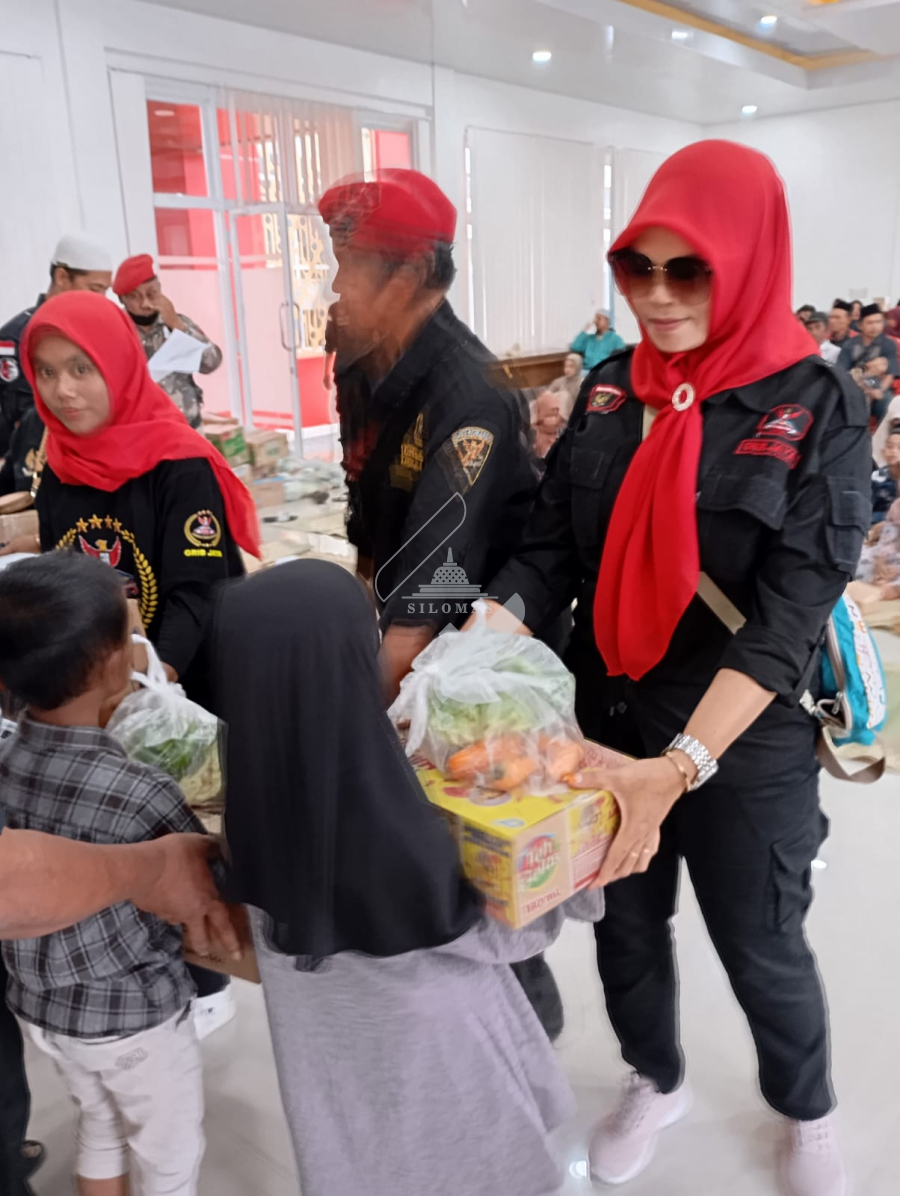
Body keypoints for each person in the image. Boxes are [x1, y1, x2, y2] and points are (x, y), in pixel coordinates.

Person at [483, 141, 870, 1196]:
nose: (657, 296)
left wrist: (684, 764)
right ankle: (654, 1078)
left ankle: (805, 1106)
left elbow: (788, 617)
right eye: (637, 267)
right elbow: (550, 549)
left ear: (747, 260)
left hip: (742, 736)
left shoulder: (816, 406)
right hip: (609, 720)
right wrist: (483, 633)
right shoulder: (612, 390)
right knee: (625, 927)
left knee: (762, 941)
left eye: (688, 269)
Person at [211, 559, 603, 1196]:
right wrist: (572, 862)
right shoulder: (390, 821)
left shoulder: (252, 809)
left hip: (338, 1073)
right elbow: (508, 937)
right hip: (443, 1073)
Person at [318, 169, 565, 1040]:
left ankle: (526, 1016)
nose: (335, 286)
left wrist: (360, 726)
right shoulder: (361, 357)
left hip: (477, 645)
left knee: (477, 835)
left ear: (412, 274)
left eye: (350, 264)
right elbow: (368, 523)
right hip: (404, 623)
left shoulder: (471, 395)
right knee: (415, 835)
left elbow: (430, 591)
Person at [1, 290, 259, 1038]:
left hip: (184, 680)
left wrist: (150, 677)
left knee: (194, 822)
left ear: (119, 365)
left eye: (82, 369)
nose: (63, 390)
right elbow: (68, 574)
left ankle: (211, 963)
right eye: (47, 372)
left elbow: (198, 592)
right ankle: (158, 959)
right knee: (130, 827)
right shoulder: (60, 464)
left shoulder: (178, 464)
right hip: (109, 685)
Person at [0, 554, 213, 1196]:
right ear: (115, 662)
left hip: (43, 1012)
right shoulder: (141, 790)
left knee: (99, 1125)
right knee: (171, 1155)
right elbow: (196, 885)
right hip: (132, 1017)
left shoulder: (4, 760)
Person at [0, 231, 112, 494]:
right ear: (62, 277)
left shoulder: (98, 334)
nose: (101, 299)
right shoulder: (17, 338)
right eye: (95, 289)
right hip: (33, 471)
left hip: (91, 468)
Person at [113, 255, 222, 429]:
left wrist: (177, 326)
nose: (145, 303)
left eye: (151, 293)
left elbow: (211, 363)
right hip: (143, 430)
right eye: (134, 297)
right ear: (122, 299)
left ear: (160, 288)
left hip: (188, 426)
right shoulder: (116, 330)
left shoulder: (177, 322)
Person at [838, 304, 899, 425]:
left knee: (887, 403)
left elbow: (891, 373)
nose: (875, 326)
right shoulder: (849, 345)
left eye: (878, 322)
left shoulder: (888, 343)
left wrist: (880, 390)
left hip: (878, 385)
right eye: (870, 323)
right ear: (860, 325)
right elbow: (843, 373)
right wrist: (867, 370)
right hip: (854, 384)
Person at [871, 430, 900, 522]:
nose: (894, 451)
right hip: (877, 521)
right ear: (883, 452)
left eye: (899, 448)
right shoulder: (876, 477)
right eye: (889, 447)